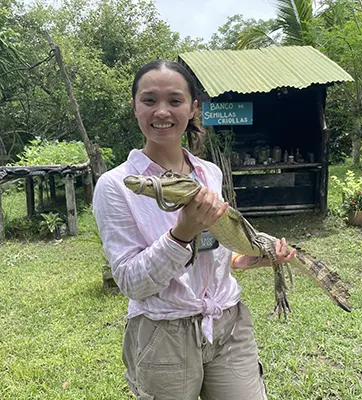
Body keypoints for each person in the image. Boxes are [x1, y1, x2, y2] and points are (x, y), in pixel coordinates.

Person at [93, 59, 296, 400]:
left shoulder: (209, 174)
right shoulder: (116, 186)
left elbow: (213, 249)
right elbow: (130, 282)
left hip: (227, 324)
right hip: (163, 334)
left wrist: (238, 262)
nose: (162, 112)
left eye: (174, 101)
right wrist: (180, 233)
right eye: (149, 100)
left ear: (193, 109)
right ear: (134, 107)